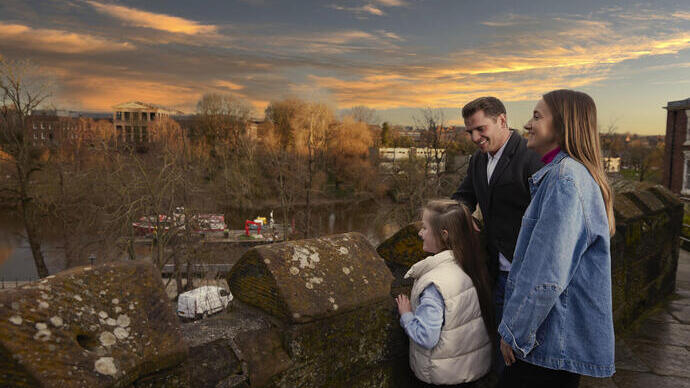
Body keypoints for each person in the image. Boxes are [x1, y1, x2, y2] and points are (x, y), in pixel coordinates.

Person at [498, 90, 616, 387]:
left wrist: (514, 332)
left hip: (544, 347)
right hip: (551, 346)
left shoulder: (565, 179)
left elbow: (546, 274)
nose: (526, 124)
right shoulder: (567, 174)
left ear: (563, 126)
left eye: (537, 116)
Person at [451, 97, 542, 371]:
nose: (475, 137)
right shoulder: (478, 161)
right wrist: (464, 216)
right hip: (495, 272)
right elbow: (463, 198)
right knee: (501, 353)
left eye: (480, 128)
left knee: (524, 355)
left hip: (528, 275)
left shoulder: (531, 155)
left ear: (502, 120)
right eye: (470, 132)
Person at [395, 199, 494, 387]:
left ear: (444, 235)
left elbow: (427, 336)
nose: (420, 233)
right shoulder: (471, 266)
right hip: (470, 372)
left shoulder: (435, 284)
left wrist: (406, 315)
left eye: (425, 228)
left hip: (443, 377)